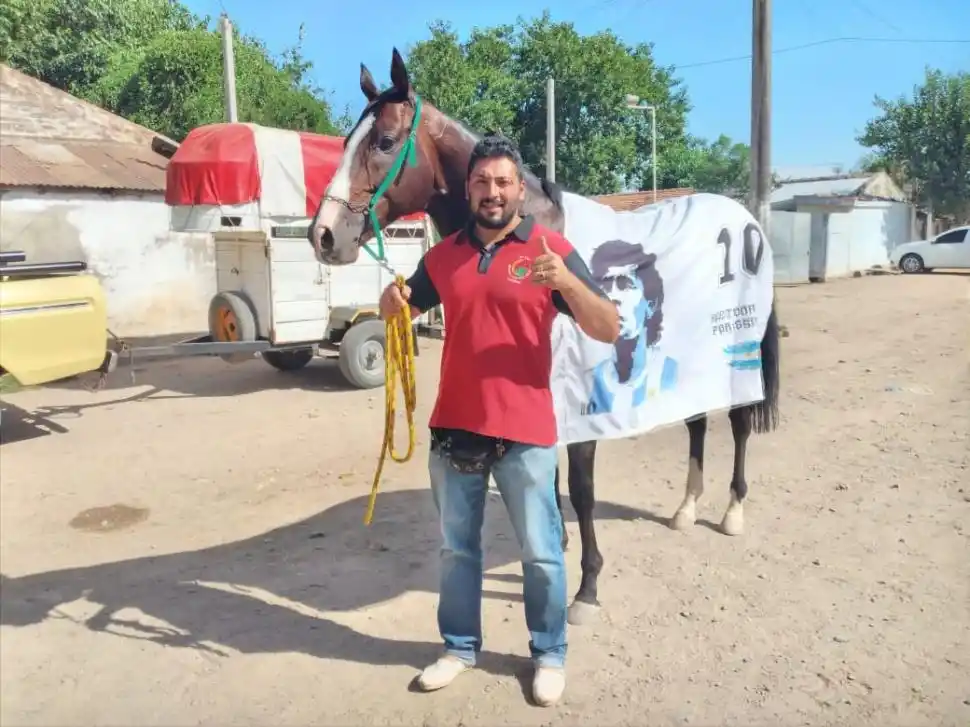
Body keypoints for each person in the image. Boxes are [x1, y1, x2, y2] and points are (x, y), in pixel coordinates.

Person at [378, 134, 618, 707]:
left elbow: (608, 326)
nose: (492, 192)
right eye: (482, 182)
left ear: (519, 189)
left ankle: (548, 653)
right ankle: (460, 648)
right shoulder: (443, 255)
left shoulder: (548, 249)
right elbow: (406, 309)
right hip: (455, 428)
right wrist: (393, 306)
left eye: (503, 182)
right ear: (468, 189)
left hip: (526, 431)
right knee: (457, 552)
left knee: (540, 552)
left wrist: (564, 282)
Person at [584, 240, 678, 418]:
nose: (613, 297)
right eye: (605, 286)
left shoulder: (671, 373)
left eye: (625, 285)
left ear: (650, 303)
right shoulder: (590, 382)